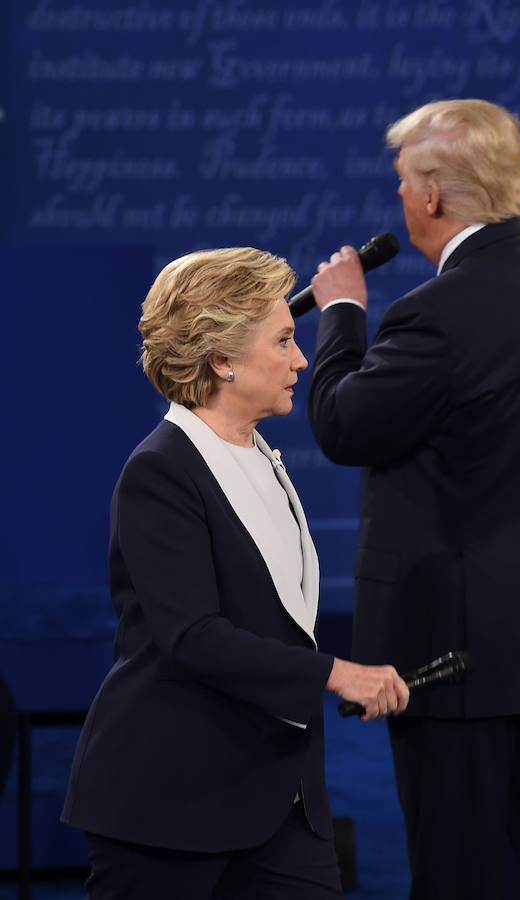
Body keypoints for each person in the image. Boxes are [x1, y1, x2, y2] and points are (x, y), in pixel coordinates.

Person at [307, 100, 520, 900]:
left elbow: (342, 424)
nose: (399, 201)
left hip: (459, 666)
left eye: (400, 184)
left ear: (429, 198)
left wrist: (344, 312)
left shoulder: (435, 314)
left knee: (456, 873)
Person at [61, 246, 409, 900]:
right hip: (171, 802)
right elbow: (192, 634)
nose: (301, 360)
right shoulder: (160, 471)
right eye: (282, 341)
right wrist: (337, 673)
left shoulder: (262, 460)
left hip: (283, 795)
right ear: (221, 359)